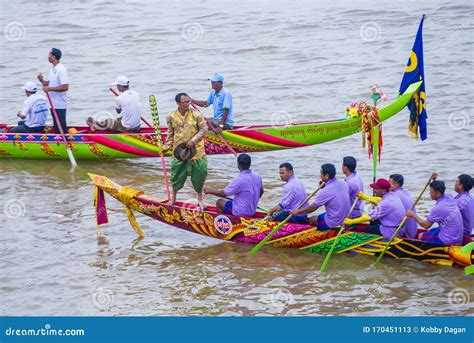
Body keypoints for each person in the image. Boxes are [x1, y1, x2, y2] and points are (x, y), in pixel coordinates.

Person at [162, 92, 208, 209]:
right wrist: (165, 147)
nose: (188, 104)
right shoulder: (171, 116)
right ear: (178, 103)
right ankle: (173, 198)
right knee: (176, 175)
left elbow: (204, 130)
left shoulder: (197, 115)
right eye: (185, 102)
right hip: (180, 152)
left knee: (200, 174)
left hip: (196, 150)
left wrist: (194, 140)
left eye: (189, 101)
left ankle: (200, 200)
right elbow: (170, 135)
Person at [292, 163, 350, 230]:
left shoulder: (325, 191)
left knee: (311, 219)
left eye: (321, 174)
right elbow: (335, 192)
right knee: (323, 214)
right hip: (345, 219)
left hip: (333, 223)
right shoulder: (344, 183)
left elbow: (312, 208)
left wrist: (298, 211)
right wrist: (326, 185)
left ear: (327, 176)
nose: (320, 176)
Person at [406, 180, 463, 245]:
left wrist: (413, 215)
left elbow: (426, 225)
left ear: (438, 193)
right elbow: (439, 187)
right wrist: (434, 180)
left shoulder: (439, 208)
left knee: (420, 236)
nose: (430, 194)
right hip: (457, 236)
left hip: (448, 240)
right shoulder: (449, 197)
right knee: (432, 230)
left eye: (431, 192)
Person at [37, 48, 69, 133]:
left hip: (60, 103)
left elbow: (65, 87)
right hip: (53, 102)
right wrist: (42, 80)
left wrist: (49, 89)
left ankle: (64, 142)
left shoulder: (61, 69)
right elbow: (49, 84)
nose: (48, 57)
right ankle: (59, 141)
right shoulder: (52, 69)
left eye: (49, 55)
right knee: (56, 125)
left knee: (60, 126)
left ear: (54, 57)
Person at [389, 174, 418, 238]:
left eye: (389, 182)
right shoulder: (405, 192)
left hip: (406, 234)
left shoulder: (394, 195)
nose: (387, 184)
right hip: (413, 231)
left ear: (396, 185)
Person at [454, 174, 473, 244]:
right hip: (469, 232)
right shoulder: (471, 197)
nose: (454, 184)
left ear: (461, 185)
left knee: (421, 236)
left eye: (456, 182)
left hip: (460, 235)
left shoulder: (459, 201)